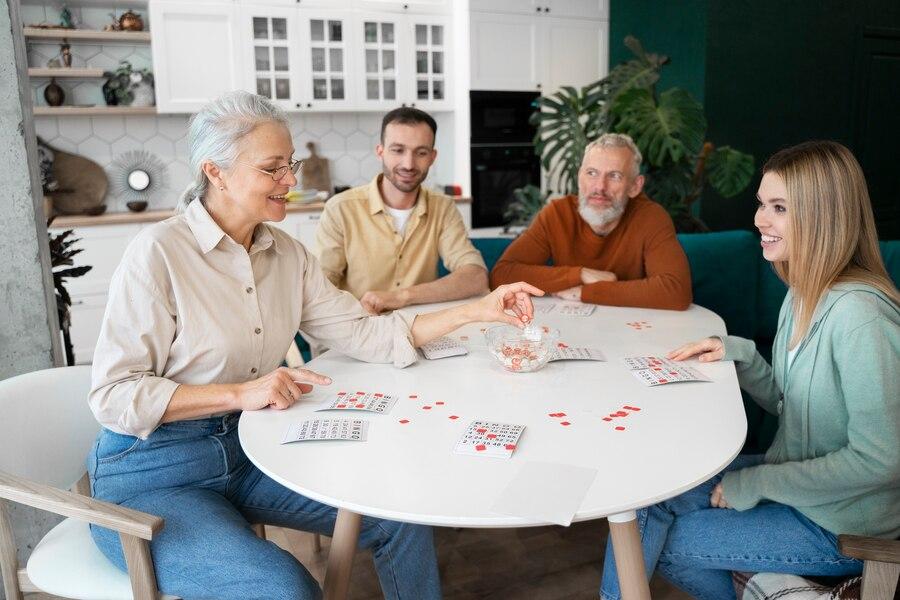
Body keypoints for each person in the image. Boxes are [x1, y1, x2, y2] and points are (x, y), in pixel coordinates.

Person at [87, 91, 542, 600]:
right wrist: (240, 393)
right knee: (285, 588)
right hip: (154, 473)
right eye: (273, 168)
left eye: (291, 164)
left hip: (251, 451)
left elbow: (370, 334)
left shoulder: (287, 254)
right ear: (215, 172)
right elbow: (114, 397)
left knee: (400, 518)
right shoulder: (157, 253)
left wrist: (478, 309)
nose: (291, 180)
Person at [599, 140, 900, 600]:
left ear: (824, 216)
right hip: (800, 485)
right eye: (762, 204)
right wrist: (735, 353)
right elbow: (787, 401)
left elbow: (881, 461)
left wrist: (757, 483)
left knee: (662, 547)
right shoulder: (802, 291)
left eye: (779, 207)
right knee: (647, 497)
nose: (760, 219)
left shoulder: (861, 317)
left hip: (840, 525)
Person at [316, 106, 488, 315]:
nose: (408, 164)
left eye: (421, 153)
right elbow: (319, 292)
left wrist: (401, 297)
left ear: (432, 157)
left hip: (418, 331)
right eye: (398, 150)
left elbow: (476, 277)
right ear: (380, 151)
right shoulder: (340, 209)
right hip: (357, 331)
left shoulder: (443, 207)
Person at [490, 133, 692, 310]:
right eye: (591, 173)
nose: (599, 187)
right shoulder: (557, 214)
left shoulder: (651, 217)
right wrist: (581, 274)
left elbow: (676, 291)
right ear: (579, 177)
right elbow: (502, 275)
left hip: (631, 330)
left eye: (614, 175)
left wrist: (584, 293)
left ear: (635, 186)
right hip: (571, 329)